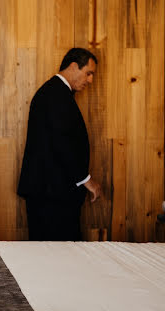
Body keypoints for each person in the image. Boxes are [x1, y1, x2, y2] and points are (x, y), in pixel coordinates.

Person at [18, 48, 103, 241]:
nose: (90, 80)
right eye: (88, 73)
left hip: (50, 193)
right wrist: (85, 179)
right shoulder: (56, 95)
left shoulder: (55, 93)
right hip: (51, 196)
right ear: (73, 66)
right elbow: (63, 142)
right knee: (57, 257)